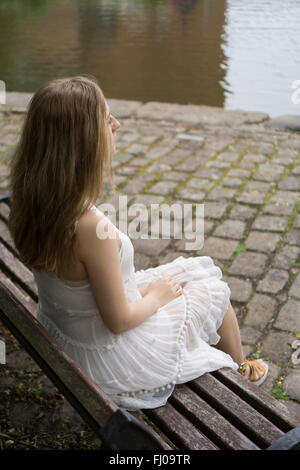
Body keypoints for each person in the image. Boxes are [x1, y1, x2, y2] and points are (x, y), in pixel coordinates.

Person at [8, 76, 268, 410]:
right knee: (214, 291)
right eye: (106, 119)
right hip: (110, 358)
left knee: (192, 270)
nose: (117, 124)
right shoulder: (87, 227)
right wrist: (157, 296)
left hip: (71, 330)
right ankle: (242, 372)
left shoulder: (34, 200)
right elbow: (118, 321)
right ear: (83, 142)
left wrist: (149, 291)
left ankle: (240, 365)